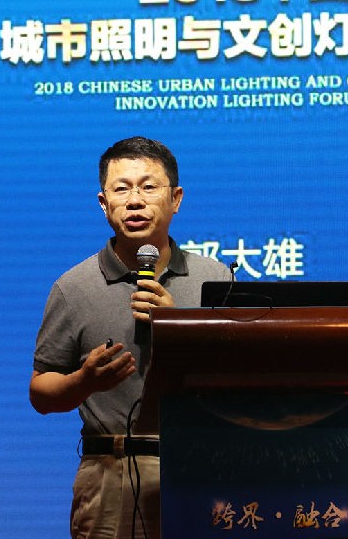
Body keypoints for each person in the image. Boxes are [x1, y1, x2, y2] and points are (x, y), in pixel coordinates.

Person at [30, 136, 232, 539]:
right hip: (111, 473)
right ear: (104, 203)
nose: (135, 201)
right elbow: (41, 393)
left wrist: (177, 327)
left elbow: (235, 379)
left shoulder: (215, 278)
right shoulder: (73, 287)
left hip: (201, 464)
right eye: (121, 189)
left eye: (148, 187)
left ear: (175, 199)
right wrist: (83, 381)